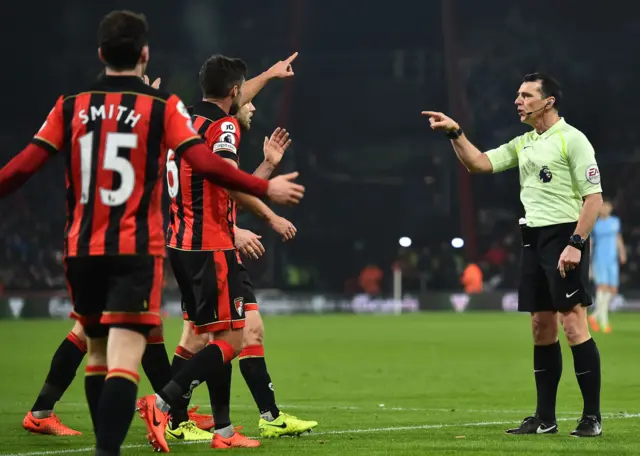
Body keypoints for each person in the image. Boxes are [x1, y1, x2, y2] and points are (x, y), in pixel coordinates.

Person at [0, 11, 304, 456]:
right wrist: (266, 187)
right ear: (145, 55)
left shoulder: (69, 106)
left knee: (99, 351)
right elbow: (208, 163)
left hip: (81, 247)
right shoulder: (161, 110)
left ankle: (175, 413)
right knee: (129, 354)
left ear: (101, 53)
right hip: (136, 246)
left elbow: (22, 167)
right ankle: (155, 415)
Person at [423, 72, 604, 437]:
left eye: (526, 95)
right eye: (518, 95)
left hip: (564, 236)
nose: (518, 101)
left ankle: (591, 417)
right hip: (532, 238)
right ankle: (545, 418)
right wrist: (455, 133)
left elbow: (594, 199)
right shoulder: (524, 143)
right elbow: (479, 164)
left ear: (548, 101)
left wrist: (576, 243)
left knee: (573, 325)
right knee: (541, 328)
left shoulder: (573, 140)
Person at [137, 54, 286, 451]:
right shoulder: (223, 126)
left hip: (180, 243)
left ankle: (223, 431)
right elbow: (226, 175)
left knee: (219, 335)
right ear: (233, 93)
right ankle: (163, 402)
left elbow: (235, 94)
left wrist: (268, 75)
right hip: (211, 244)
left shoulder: (185, 118)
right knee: (233, 342)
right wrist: (267, 202)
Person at [167, 101, 318, 440]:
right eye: (248, 100)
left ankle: (267, 417)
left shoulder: (200, 132)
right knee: (203, 339)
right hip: (209, 251)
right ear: (233, 96)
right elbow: (208, 197)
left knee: (248, 332)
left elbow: (229, 191)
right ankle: (170, 411)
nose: (253, 106)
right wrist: (244, 228)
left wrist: (267, 164)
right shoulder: (215, 131)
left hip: (213, 250)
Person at [589, 199, 626, 333]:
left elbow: (618, 237)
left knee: (613, 290)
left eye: (607, 207)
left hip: (612, 258)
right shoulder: (595, 224)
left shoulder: (615, 222)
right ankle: (604, 321)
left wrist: (622, 252)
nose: (605, 209)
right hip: (600, 258)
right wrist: (589, 262)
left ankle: (594, 316)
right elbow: (591, 242)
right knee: (602, 287)